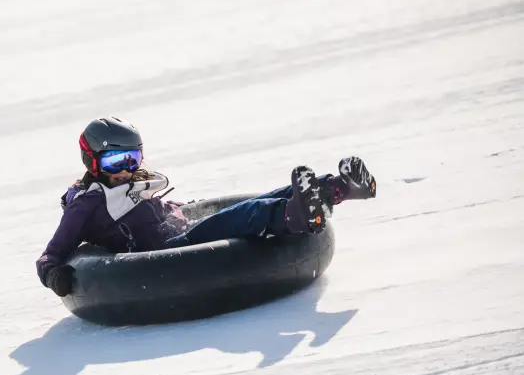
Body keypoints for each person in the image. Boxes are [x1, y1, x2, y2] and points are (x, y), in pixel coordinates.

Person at [36, 116, 377, 296]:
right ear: (92, 161)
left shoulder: (130, 183)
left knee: (263, 198)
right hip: (167, 249)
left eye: (133, 157)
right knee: (248, 214)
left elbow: (145, 210)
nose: (126, 167)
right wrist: (53, 275)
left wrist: (181, 208)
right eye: (115, 160)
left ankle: (338, 188)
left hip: (182, 227)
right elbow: (51, 254)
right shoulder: (87, 204)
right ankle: (297, 216)